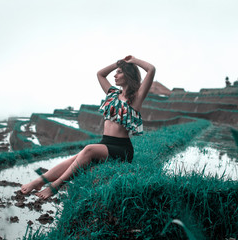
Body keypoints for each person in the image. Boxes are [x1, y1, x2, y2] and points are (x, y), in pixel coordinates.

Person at [21, 55, 155, 199]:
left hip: (122, 149)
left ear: (128, 75)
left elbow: (151, 69)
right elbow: (100, 74)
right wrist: (118, 63)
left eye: (119, 72)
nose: (115, 75)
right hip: (105, 143)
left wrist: (132, 61)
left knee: (88, 149)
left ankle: (56, 186)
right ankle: (39, 181)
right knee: (74, 159)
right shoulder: (112, 94)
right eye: (116, 72)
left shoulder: (136, 97)